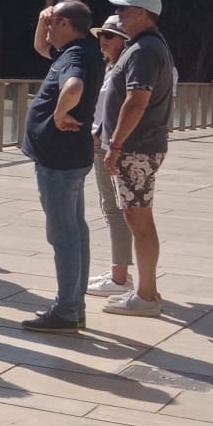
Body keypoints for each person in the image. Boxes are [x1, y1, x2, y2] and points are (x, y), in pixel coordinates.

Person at [20, 0, 103, 334]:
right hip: (69, 157)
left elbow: (74, 87)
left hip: (58, 159)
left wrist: (56, 114)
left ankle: (67, 310)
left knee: (64, 234)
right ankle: (74, 306)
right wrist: (43, 20)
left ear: (66, 24)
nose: (48, 28)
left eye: (53, 22)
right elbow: (41, 46)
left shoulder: (75, 56)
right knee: (76, 231)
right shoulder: (80, 49)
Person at [102, 0, 176, 319]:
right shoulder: (148, 46)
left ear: (142, 14)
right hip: (141, 146)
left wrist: (116, 145)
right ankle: (146, 290)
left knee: (139, 219)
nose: (118, 15)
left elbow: (137, 101)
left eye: (124, 10)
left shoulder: (144, 50)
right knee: (138, 217)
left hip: (136, 148)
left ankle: (146, 295)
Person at [87, 15, 137, 299]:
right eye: (101, 36)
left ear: (123, 40)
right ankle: (119, 269)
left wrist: (112, 142)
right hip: (103, 142)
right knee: (112, 207)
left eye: (109, 36)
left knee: (116, 208)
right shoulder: (111, 68)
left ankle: (120, 277)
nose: (102, 41)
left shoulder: (124, 69)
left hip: (111, 145)